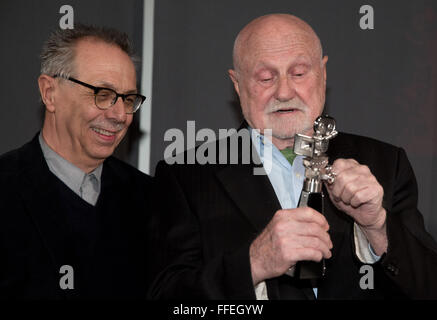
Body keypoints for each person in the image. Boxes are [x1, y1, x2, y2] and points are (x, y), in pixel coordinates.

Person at [150, 14, 437, 299]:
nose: (284, 91)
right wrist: (253, 264)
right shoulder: (186, 175)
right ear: (237, 84)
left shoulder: (385, 163)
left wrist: (377, 227)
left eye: (299, 73)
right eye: (265, 77)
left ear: (323, 74)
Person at [0, 25, 155, 299]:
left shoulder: (152, 200)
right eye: (102, 95)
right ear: (50, 93)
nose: (120, 115)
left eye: (128, 99)